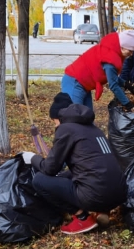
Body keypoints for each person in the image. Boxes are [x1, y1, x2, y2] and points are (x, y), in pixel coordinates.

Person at [26, 93, 127, 235]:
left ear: (58, 118)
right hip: (119, 193)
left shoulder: (65, 129)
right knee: (69, 174)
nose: (55, 126)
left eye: (54, 121)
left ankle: (82, 217)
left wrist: (32, 158)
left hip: (96, 195)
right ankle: (101, 211)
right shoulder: (93, 129)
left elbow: (49, 168)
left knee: (40, 180)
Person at [62, 30, 134, 111]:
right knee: (75, 115)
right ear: (122, 46)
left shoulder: (112, 51)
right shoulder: (110, 57)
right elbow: (113, 85)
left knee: (87, 117)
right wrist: (127, 103)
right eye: (130, 50)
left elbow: (112, 76)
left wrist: (125, 84)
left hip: (84, 85)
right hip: (74, 81)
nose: (131, 54)